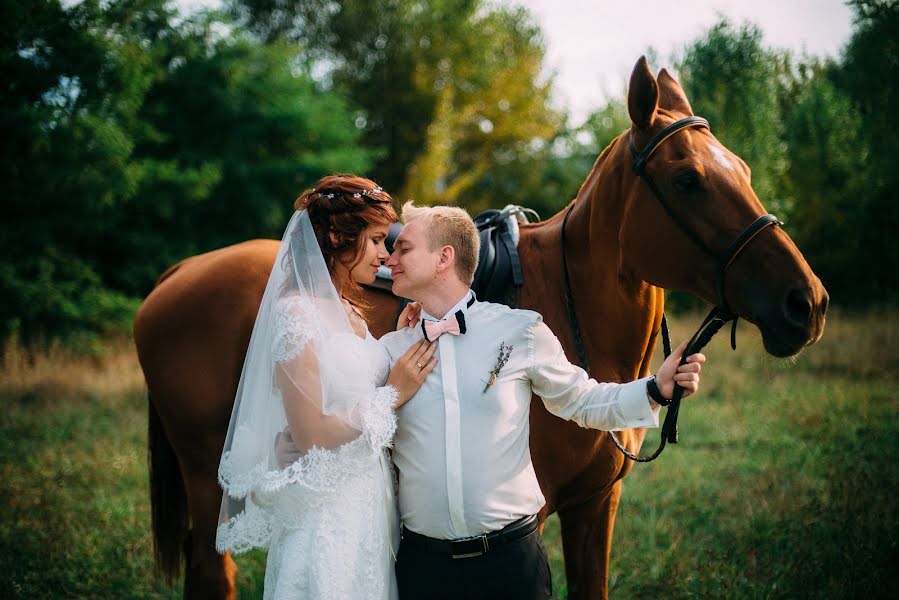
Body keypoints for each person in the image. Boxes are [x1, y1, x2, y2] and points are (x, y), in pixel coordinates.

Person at [379, 202, 706, 600]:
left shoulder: (521, 331)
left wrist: (657, 388)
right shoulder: (390, 350)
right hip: (422, 569)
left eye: (403, 248)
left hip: (511, 565)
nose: (388, 257)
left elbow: (584, 401)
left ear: (444, 257)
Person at [215, 175, 437, 599]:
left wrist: (400, 337)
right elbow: (310, 432)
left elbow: (353, 379)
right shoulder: (296, 314)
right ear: (337, 236)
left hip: (369, 501)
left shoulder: (349, 310)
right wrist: (392, 393)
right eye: (375, 240)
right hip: (327, 512)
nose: (384, 255)